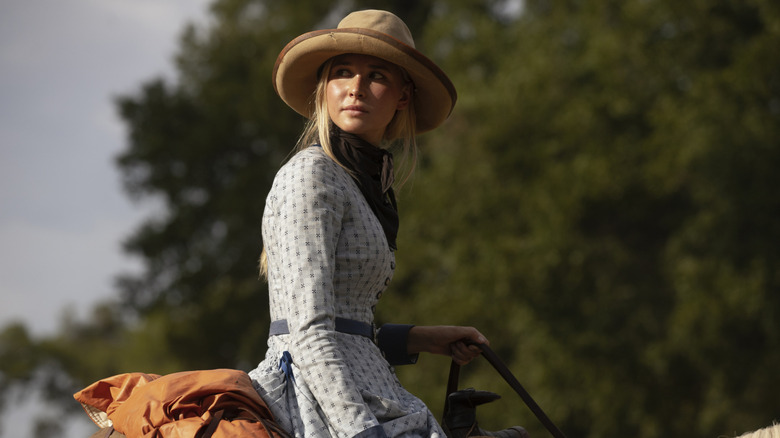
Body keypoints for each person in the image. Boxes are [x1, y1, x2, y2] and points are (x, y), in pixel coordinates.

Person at [249, 10, 522, 438]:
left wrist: (421, 339)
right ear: (324, 90)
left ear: (402, 97)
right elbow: (307, 332)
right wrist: (360, 430)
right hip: (318, 399)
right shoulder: (311, 175)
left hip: (370, 385)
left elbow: (348, 323)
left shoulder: (365, 185)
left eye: (376, 76)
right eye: (342, 73)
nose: (356, 89)